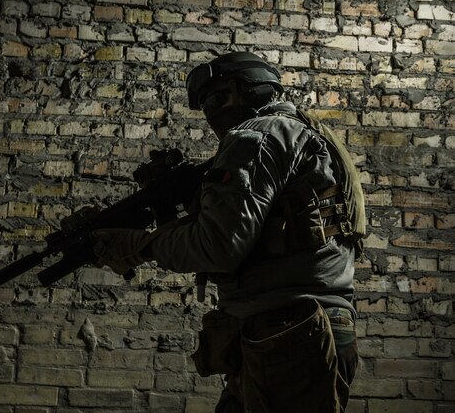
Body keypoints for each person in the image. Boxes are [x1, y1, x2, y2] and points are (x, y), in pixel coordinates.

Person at [91, 52, 365, 413]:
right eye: (206, 105)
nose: (212, 114)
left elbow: (218, 245)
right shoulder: (310, 135)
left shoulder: (257, 136)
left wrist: (139, 245)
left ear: (254, 89)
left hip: (287, 332)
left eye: (219, 98)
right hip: (300, 329)